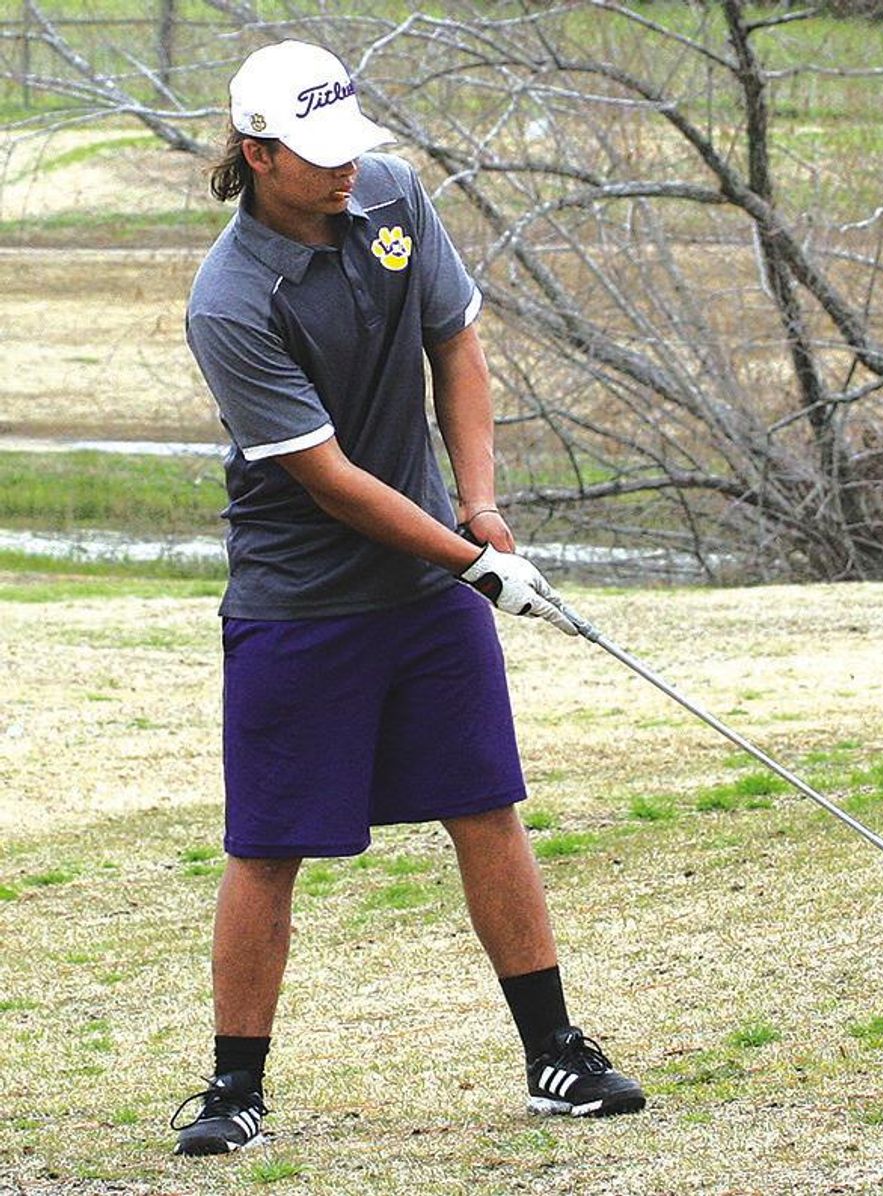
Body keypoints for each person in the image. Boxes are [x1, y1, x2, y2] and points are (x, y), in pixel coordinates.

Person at [169, 40, 644, 1157]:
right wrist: (470, 562)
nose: (347, 173)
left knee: (486, 804)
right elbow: (330, 480)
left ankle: (555, 1055)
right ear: (257, 153)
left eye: (351, 149)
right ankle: (236, 1087)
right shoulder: (230, 303)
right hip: (301, 600)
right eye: (320, 157)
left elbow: (456, 342)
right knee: (268, 843)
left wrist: (478, 504)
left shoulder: (388, 194)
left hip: (429, 576)